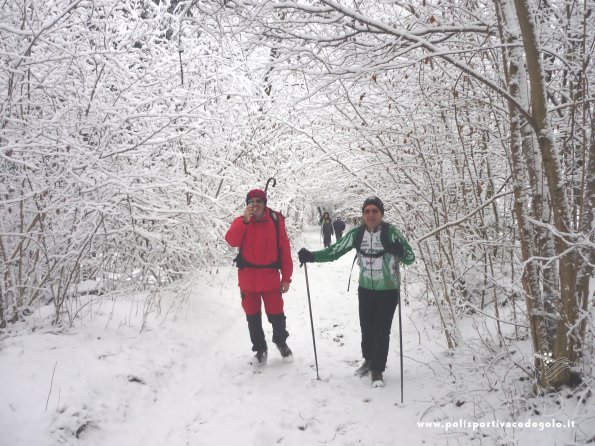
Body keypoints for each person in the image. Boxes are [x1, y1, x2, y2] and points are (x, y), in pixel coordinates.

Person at [298, 196, 414, 387]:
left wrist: (400, 250)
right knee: (366, 328)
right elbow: (334, 251)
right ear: (362, 214)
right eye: (367, 211)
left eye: (374, 211)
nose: (370, 214)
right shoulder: (357, 234)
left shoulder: (391, 233)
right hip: (365, 289)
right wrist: (312, 256)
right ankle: (368, 360)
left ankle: (377, 370)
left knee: (381, 330)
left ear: (381, 214)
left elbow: (410, 258)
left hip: (388, 290)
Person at [225, 188, 294, 365]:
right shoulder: (241, 222)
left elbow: (284, 250)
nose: (255, 205)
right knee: (252, 317)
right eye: (251, 202)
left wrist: (286, 277)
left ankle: (281, 342)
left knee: (277, 315)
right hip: (248, 280)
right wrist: (245, 222)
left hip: (270, 277)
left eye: (258, 201)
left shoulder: (275, 221)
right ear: (247, 205)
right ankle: (260, 349)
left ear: (265, 204)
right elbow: (231, 240)